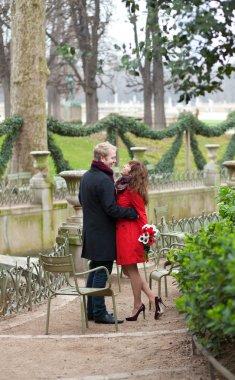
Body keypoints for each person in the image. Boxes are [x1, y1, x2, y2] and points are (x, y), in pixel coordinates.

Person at [79, 142, 138, 325]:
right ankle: (100, 313)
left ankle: (91, 311)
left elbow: (82, 200)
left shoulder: (86, 176)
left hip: (91, 231)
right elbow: (111, 209)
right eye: (112, 157)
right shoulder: (104, 179)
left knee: (95, 270)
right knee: (102, 272)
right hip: (104, 234)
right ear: (103, 158)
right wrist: (131, 213)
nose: (115, 161)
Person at [115, 160, 165, 321]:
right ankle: (153, 298)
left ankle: (138, 305)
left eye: (127, 165)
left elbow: (142, 214)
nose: (123, 165)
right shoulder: (124, 186)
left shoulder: (132, 191)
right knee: (127, 271)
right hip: (123, 233)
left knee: (132, 270)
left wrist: (147, 238)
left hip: (130, 235)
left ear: (132, 173)